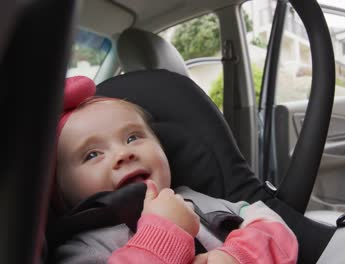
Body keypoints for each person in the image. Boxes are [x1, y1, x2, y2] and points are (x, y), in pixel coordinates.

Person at [50, 76, 298, 263]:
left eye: (133, 137)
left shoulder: (196, 200)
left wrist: (238, 256)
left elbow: (267, 222)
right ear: (59, 193)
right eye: (92, 154)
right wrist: (164, 233)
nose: (123, 154)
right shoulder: (82, 247)